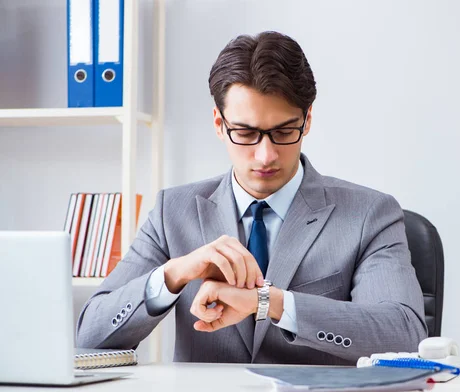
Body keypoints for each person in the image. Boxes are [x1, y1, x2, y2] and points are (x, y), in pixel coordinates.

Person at [76, 31, 427, 365]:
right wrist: (173, 275)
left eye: (284, 131)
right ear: (219, 123)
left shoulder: (370, 214)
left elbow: (404, 336)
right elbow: (89, 337)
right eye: (245, 133)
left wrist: (271, 303)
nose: (265, 155)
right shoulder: (173, 212)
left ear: (306, 122)